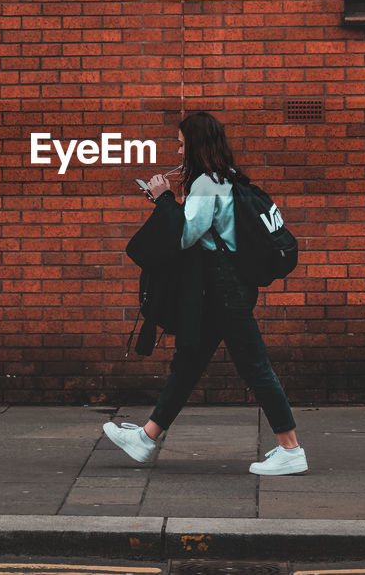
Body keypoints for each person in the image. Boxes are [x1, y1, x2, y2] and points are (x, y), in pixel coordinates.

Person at [104, 112, 307, 476]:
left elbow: (186, 235)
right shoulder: (226, 177)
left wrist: (163, 198)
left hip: (222, 288)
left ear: (195, 145)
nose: (178, 150)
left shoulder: (206, 184)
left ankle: (290, 448)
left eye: (181, 144)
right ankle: (146, 438)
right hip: (225, 287)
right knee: (188, 362)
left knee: (255, 365)